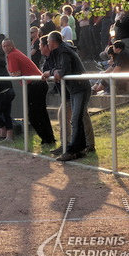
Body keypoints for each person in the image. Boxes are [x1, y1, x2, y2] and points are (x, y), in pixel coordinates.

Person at [42, 31, 90, 162]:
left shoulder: (63, 51)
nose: (47, 44)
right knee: (76, 119)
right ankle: (79, 149)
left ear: (53, 42)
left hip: (80, 88)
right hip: (75, 89)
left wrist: (50, 72)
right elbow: (57, 70)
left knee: (76, 119)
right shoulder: (59, 51)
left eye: (48, 42)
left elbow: (62, 72)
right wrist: (52, 72)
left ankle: (74, 150)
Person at [2, 38, 56, 144]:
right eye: (4, 46)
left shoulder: (12, 55)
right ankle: (49, 139)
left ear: (12, 46)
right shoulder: (15, 53)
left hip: (34, 84)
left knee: (33, 115)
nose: (5, 48)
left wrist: (12, 73)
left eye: (7, 45)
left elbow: (16, 73)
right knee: (41, 113)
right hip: (38, 83)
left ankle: (47, 139)